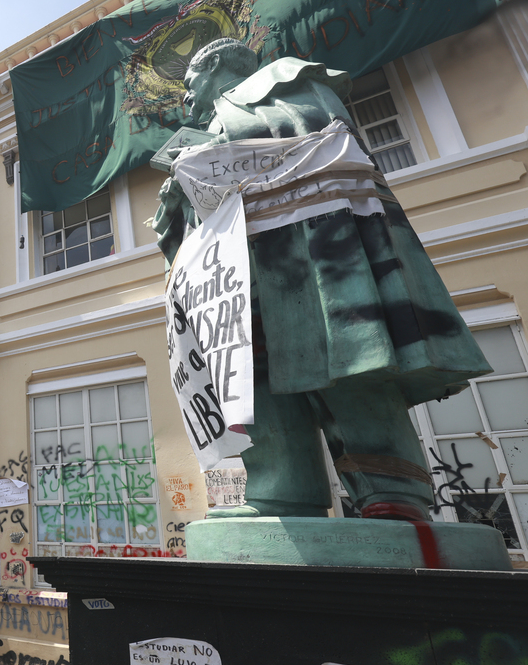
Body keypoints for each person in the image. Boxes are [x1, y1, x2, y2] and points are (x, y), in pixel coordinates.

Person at [152, 38, 491, 521]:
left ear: (213, 64)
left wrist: (216, 153)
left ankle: (390, 489)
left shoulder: (286, 85)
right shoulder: (205, 126)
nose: (186, 96)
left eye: (190, 82)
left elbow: (323, 142)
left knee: (347, 354)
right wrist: (179, 188)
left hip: (309, 254)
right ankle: (279, 491)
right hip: (234, 276)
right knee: (250, 379)